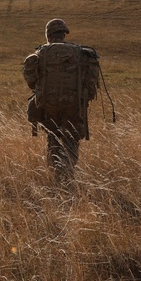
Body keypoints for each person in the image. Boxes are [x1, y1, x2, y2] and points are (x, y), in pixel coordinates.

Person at [23, 18, 100, 183]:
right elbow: (91, 81)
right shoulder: (80, 53)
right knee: (71, 139)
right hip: (74, 105)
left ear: (48, 35)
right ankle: (68, 174)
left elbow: (30, 77)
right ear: (64, 34)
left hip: (49, 105)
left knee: (53, 138)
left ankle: (55, 174)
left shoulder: (41, 53)